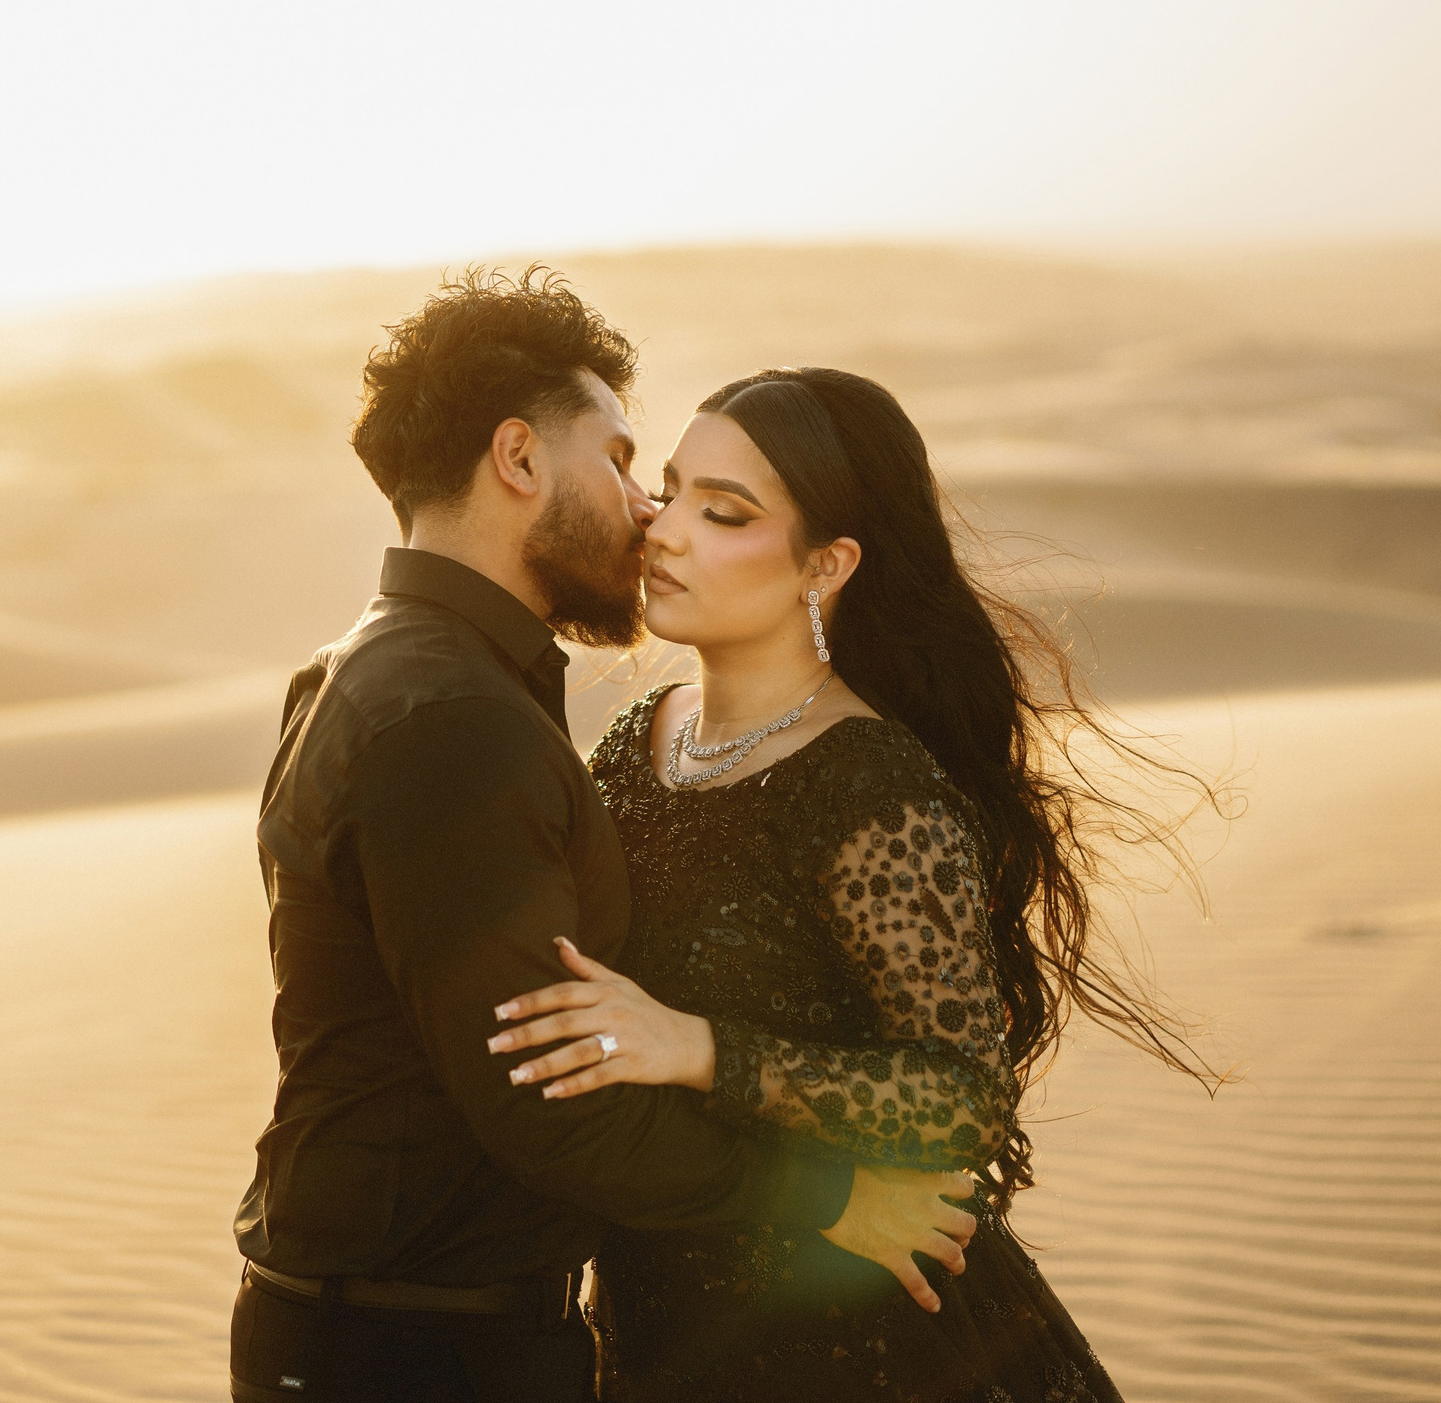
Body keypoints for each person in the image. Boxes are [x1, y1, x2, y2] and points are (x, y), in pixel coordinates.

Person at [230, 280, 980, 1403]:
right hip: (418, 1353)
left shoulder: (382, 671)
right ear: (519, 459)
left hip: (409, 1333)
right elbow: (549, 1097)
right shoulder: (455, 719)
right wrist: (829, 1197)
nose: (645, 513)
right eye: (628, 465)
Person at [482, 367, 1224, 1400]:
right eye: (671, 488)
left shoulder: (867, 786)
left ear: (822, 566)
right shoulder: (631, 745)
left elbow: (964, 1101)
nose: (667, 531)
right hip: (663, 1326)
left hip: (865, 1345)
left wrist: (694, 1049)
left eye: (725, 512)